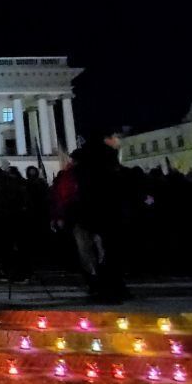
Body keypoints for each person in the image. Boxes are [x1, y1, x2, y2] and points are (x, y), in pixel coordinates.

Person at [69, 129, 132, 301]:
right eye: (113, 138)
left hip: (90, 211)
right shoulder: (106, 160)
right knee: (110, 251)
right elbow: (116, 181)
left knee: (97, 252)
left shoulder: (83, 163)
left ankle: (103, 286)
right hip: (107, 210)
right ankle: (113, 287)